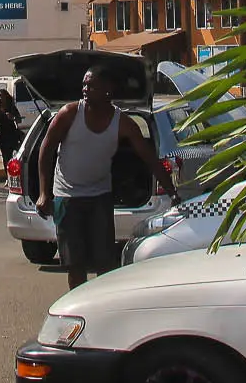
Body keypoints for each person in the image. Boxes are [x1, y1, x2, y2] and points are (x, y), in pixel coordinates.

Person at [34, 62, 176, 289]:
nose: (85, 90)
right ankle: (79, 302)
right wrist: (43, 193)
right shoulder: (69, 114)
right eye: (84, 85)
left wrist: (172, 192)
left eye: (92, 86)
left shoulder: (123, 124)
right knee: (75, 264)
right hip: (67, 197)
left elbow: (149, 158)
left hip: (99, 196)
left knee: (105, 262)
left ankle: (101, 302)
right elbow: (46, 149)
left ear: (108, 90)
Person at [0, 87, 24, 178]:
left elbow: (19, 119)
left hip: (12, 135)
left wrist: (12, 117)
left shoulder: (11, 107)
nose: (0, 98)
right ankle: (8, 177)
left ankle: (16, 174)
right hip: (2, 136)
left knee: (16, 156)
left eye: (2, 96)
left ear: (6, 97)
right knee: (5, 158)